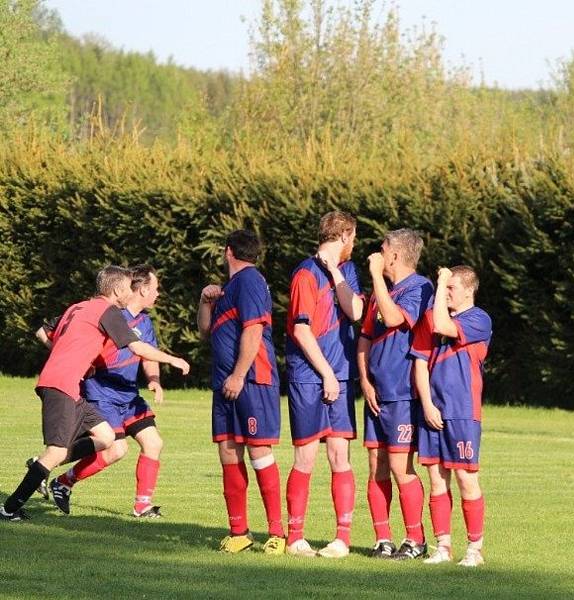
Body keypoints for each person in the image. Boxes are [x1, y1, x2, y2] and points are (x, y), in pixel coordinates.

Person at [1, 266, 190, 522]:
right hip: (62, 385)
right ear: (116, 290)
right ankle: (9, 508)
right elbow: (136, 346)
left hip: (66, 384)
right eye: (125, 287)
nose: (129, 291)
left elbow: (43, 332)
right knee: (55, 452)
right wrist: (173, 359)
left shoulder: (79, 306)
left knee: (106, 437)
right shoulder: (108, 310)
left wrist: (69, 355)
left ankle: (43, 468)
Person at [39, 265, 168, 518]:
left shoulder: (144, 321)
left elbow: (147, 354)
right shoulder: (108, 313)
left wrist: (154, 379)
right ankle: (51, 470)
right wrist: (69, 359)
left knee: (154, 442)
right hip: (102, 393)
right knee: (116, 450)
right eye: (155, 288)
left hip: (129, 396)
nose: (158, 293)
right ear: (142, 289)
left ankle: (142, 505)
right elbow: (48, 332)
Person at [197, 230, 285, 554]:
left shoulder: (249, 280)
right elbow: (205, 330)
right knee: (228, 451)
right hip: (225, 384)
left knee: (259, 452)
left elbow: (254, 329)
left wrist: (238, 374)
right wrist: (205, 302)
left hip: (251, 381)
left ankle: (277, 533)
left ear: (228, 251)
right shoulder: (229, 287)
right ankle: (239, 532)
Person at [284, 210, 364, 558]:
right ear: (345, 234)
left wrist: (334, 271)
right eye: (354, 236)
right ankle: (294, 538)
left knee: (339, 456)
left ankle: (341, 540)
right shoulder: (304, 273)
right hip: (308, 376)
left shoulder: (347, 271)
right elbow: (301, 329)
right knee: (306, 457)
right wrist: (326, 373)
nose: (355, 244)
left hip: (341, 376)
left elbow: (357, 312)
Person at [358, 229, 433, 560]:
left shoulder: (420, 288)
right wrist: (364, 380)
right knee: (377, 465)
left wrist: (374, 276)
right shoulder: (380, 290)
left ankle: (415, 540)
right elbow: (364, 339)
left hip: (403, 394)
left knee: (402, 467)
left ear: (396, 256)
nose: (377, 254)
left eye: (382, 249)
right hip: (376, 393)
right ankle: (382, 539)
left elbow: (393, 319)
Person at [411, 266, 492, 567]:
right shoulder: (433, 317)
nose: (445, 293)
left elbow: (445, 327)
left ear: (469, 290)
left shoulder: (479, 319)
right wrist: (428, 404)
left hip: (462, 412)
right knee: (436, 479)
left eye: (451, 288)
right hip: (433, 411)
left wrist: (440, 280)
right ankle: (442, 546)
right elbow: (419, 362)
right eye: (444, 288)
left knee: (465, 477)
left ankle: (475, 549)